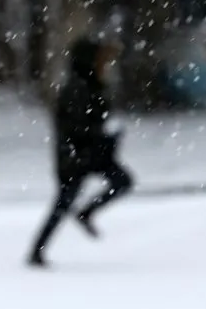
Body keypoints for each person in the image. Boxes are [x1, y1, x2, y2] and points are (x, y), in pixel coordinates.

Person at [28, 36, 133, 267]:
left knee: (122, 182)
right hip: (76, 158)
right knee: (63, 203)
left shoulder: (91, 85)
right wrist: (105, 134)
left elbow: (91, 122)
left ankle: (84, 215)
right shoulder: (78, 89)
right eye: (101, 60)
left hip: (90, 155)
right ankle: (36, 252)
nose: (106, 65)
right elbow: (78, 127)